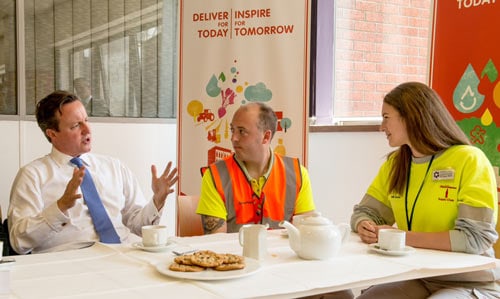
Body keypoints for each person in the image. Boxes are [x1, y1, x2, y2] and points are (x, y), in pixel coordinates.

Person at [351, 82, 500, 298]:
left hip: (469, 282)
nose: (381, 127)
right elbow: (365, 212)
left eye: (386, 117)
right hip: (418, 278)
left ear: (410, 117)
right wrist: (364, 225)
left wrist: (401, 236)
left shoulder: (469, 160)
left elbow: (474, 239)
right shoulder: (395, 164)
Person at [8, 90, 178, 254]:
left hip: (123, 255)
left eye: (86, 120)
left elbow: (138, 227)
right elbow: (19, 242)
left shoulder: (114, 167)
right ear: (52, 134)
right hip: (68, 264)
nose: (87, 130)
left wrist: (157, 200)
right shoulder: (32, 175)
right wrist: (60, 207)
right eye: (75, 126)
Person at [196, 102, 317, 233]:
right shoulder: (215, 176)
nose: (233, 138)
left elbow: (307, 234)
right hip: (233, 253)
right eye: (233, 130)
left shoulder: (298, 174)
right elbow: (216, 243)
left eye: (242, 131)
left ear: (266, 136)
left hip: (283, 253)